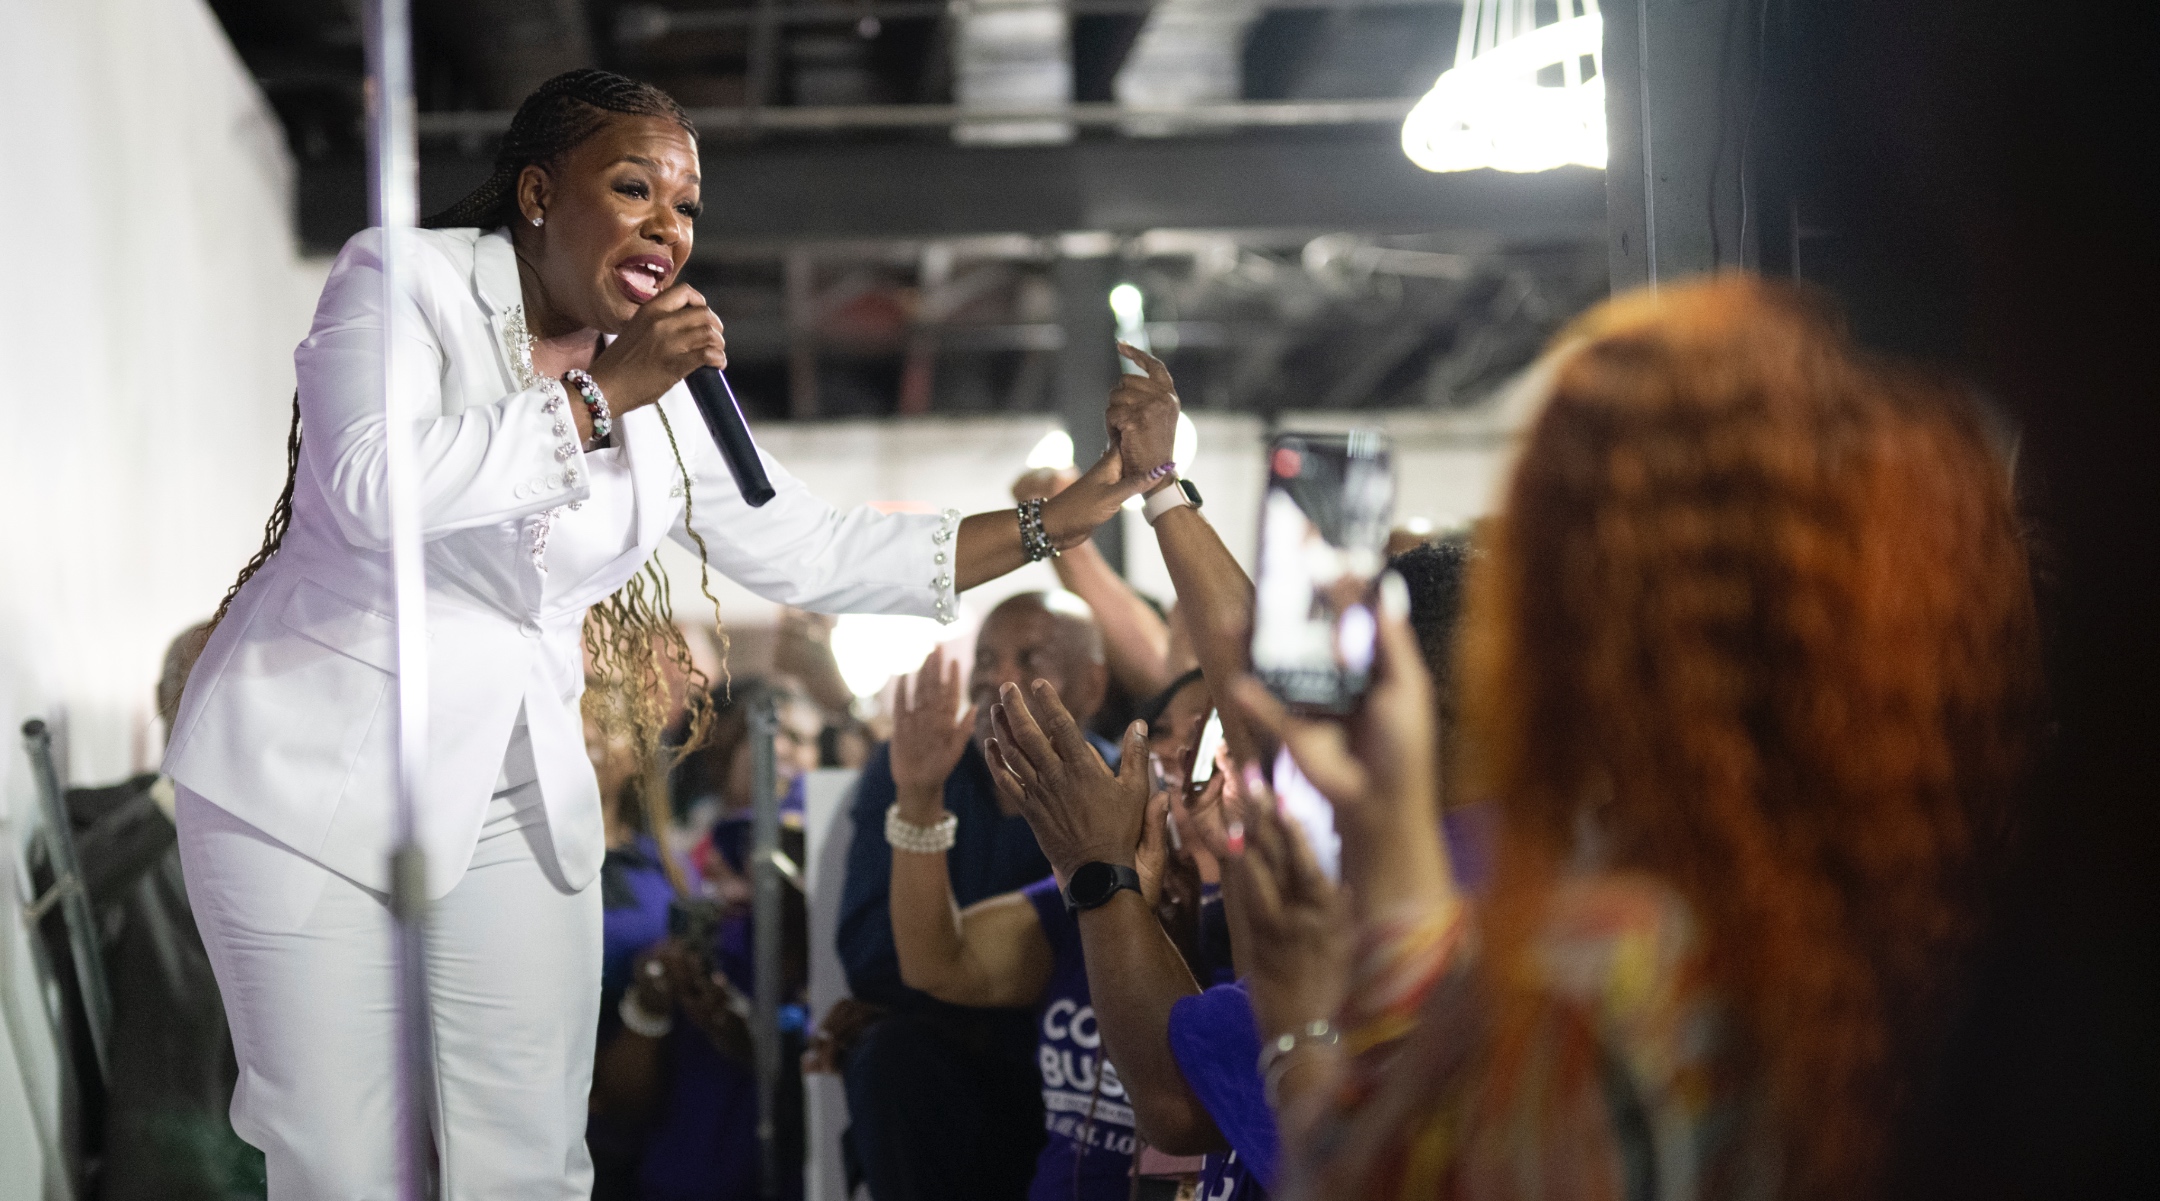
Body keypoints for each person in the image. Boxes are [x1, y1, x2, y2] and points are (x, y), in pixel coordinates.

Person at [162, 67, 1180, 1198]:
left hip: (511, 787)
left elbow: (823, 547)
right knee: (348, 1158)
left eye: (686, 206)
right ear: (540, 194)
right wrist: (600, 399)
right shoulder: (406, 284)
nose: (668, 225)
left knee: (528, 1158)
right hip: (313, 770)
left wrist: (1076, 510)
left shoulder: (663, 382)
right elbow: (366, 486)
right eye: (636, 187)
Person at [1227, 278, 2041, 1200]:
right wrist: (1397, 857)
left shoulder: (1612, 983)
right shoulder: (1981, 927)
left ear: (1582, 618)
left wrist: (1298, 1027)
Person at [832, 590, 1117, 1201]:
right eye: (986, 659)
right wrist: (919, 799)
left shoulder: (1120, 789)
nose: (996, 677)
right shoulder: (915, 764)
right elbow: (872, 956)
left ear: (1091, 688)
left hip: (1084, 1066)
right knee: (890, 1058)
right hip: (948, 1066)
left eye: (1030, 660)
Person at [884, 646, 1172, 1201]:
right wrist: (918, 798)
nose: (1177, 753)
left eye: (1204, 737)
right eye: (1159, 732)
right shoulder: (1084, 892)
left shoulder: (1249, 925)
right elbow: (938, 963)